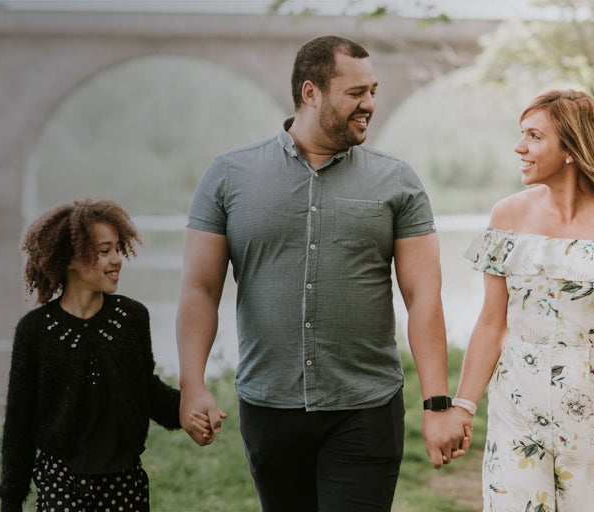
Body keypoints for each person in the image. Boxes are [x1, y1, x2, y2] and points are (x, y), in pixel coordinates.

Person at [175, 34, 465, 511]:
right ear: (311, 93)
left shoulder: (398, 180)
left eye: (373, 91)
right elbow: (200, 289)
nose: (369, 104)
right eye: (356, 93)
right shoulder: (228, 176)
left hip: (366, 409)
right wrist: (193, 385)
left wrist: (436, 404)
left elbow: (424, 297)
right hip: (269, 407)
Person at [451, 89, 594, 511]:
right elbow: (491, 322)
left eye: (535, 137)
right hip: (515, 410)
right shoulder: (507, 216)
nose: (520, 147)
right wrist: (462, 407)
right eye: (522, 134)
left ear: (572, 148)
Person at [0, 199, 210, 511]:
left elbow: (145, 388)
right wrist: (11, 500)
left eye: (117, 249)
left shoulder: (132, 317)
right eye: (103, 251)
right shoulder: (35, 331)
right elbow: (20, 421)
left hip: (124, 482)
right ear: (68, 258)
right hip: (61, 484)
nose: (116, 260)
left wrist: (189, 410)